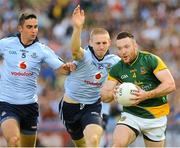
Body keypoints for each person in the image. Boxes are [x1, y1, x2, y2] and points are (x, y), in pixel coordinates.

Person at [0, 11, 75, 147]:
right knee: (13, 140)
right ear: (20, 28)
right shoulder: (6, 44)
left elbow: (62, 69)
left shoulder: (42, 50)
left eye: (35, 27)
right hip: (7, 104)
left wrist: (70, 67)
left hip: (29, 107)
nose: (33, 30)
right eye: (29, 27)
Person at [100, 31, 176, 147]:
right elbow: (104, 95)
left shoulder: (150, 60)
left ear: (135, 46)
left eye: (126, 47)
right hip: (131, 115)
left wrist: (146, 95)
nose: (123, 52)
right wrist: (113, 94)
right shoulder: (117, 69)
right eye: (119, 48)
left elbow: (170, 85)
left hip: (156, 116)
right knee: (118, 144)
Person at [58, 5, 120, 147]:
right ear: (91, 43)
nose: (101, 46)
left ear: (109, 43)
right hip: (70, 107)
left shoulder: (114, 62)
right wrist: (77, 27)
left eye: (104, 43)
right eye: (97, 43)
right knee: (81, 145)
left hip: (93, 106)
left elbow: (127, 76)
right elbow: (74, 50)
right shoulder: (84, 56)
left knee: (93, 140)